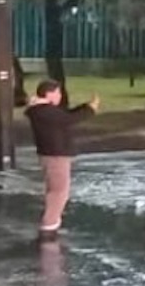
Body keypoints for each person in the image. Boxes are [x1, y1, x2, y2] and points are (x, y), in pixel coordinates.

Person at [22, 79, 98, 240]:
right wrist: (90, 109)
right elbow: (68, 120)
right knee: (59, 192)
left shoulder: (43, 110)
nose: (60, 96)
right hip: (55, 155)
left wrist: (86, 107)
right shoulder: (44, 111)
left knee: (56, 190)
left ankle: (52, 222)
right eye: (58, 92)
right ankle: (49, 225)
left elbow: (66, 116)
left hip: (52, 154)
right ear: (49, 93)